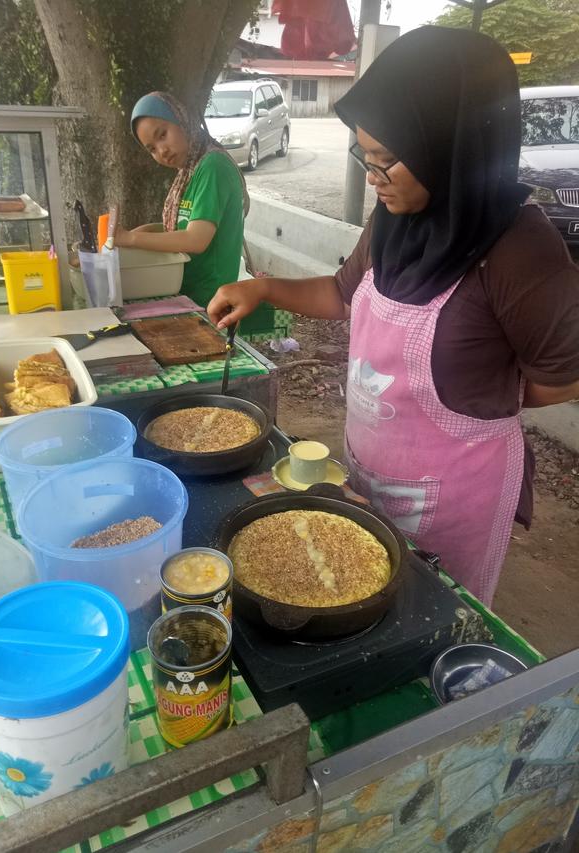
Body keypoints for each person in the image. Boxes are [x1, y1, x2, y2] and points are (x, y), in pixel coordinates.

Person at [207, 26, 579, 606]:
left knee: (429, 616)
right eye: (366, 157)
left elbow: (563, 377)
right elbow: (342, 294)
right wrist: (265, 289)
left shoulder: (519, 249)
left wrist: (480, 396)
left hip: (455, 494)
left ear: (450, 146)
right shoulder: (394, 218)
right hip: (370, 469)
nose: (372, 176)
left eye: (387, 161)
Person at [114, 91, 248, 307]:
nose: (162, 151)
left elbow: (195, 239)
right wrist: (147, 230)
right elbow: (183, 225)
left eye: (162, 135)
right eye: (152, 149)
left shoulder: (213, 166)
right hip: (186, 295)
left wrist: (130, 238)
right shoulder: (189, 171)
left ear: (182, 120)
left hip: (210, 302)